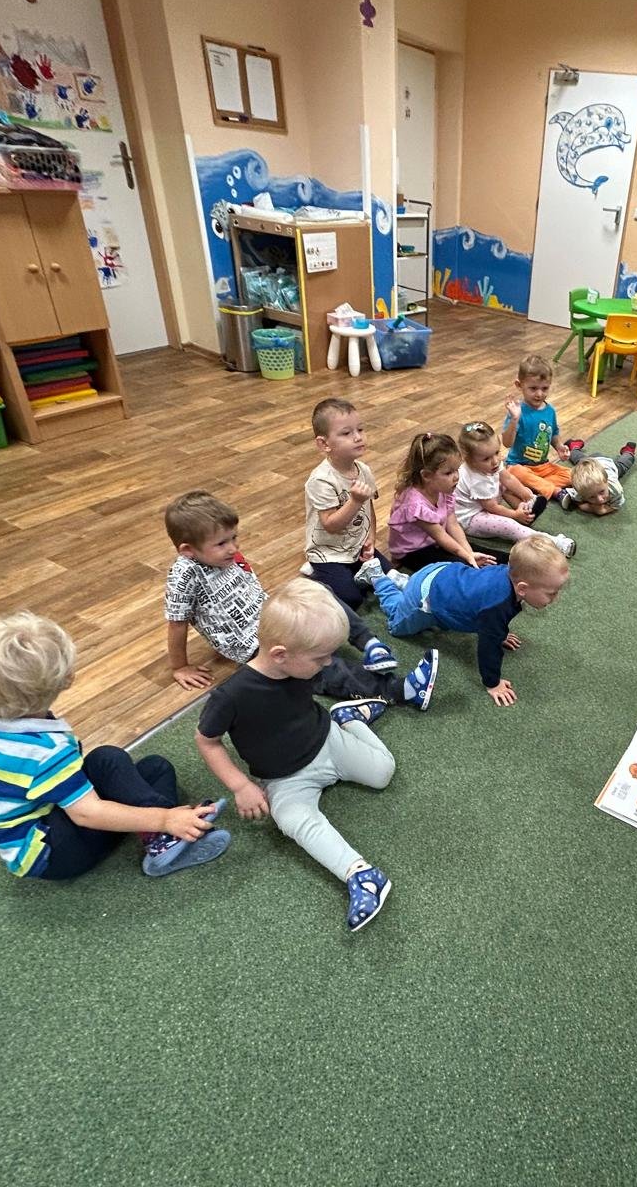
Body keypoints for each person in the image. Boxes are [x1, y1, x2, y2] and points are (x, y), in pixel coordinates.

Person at [0, 610, 231, 881]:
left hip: (44, 812)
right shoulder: (45, 752)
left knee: (147, 767)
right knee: (135, 784)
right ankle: (163, 837)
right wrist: (164, 819)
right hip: (50, 853)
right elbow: (87, 815)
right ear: (66, 680)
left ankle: (161, 831)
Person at [194, 578, 396, 931]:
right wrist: (240, 785)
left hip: (328, 740)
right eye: (321, 657)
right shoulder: (231, 696)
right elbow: (206, 741)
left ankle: (350, 718)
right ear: (280, 655)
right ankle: (361, 875)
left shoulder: (303, 665)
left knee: (383, 773)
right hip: (284, 777)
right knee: (289, 819)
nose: (329, 662)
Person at [162, 489, 438, 710]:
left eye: (234, 538)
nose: (233, 547)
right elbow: (176, 623)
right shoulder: (184, 575)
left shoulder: (225, 556)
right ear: (187, 550)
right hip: (258, 646)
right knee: (318, 666)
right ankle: (399, 690)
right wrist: (180, 666)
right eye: (222, 543)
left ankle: (368, 643)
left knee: (319, 591)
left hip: (273, 616)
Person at [360, 534, 570, 706]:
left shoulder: (509, 575)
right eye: (552, 593)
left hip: (443, 571)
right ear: (522, 588)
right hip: (426, 595)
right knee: (396, 623)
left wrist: (500, 633)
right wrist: (493, 683)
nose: (556, 598)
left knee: (417, 592)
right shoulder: (497, 606)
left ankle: (402, 581)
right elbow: (488, 648)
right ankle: (377, 575)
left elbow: (487, 611)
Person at [302, 397, 393, 608]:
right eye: (346, 433)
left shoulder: (364, 470)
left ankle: (345, 575)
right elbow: (330, 525)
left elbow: (369, 509)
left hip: (357, 547)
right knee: (352, 598)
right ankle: (317, 574)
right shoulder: (321, 480)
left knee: (390, 576)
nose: (358, 437)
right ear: (324, 444)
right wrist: (354, 501)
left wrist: (371, 539)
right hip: (328, 553)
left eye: (360, 429)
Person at [454, 420, 576, 557]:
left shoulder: (491, 464)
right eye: (486, 458)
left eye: (497, 452)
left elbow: (508, 479)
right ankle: (552, 542)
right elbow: (492, 508)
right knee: (509, 525)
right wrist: (513, 515)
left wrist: (527, 496)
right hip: (472, 518)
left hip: (486, 501)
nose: (495, 461)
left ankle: (526, 511)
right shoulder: (476, 480)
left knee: (509, 485)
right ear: (468, 459)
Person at [387, 431, 502, 572]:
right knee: (460, 566)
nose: (456, 477)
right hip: (414, 550)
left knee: (490, 557)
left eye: (457, 470)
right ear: (426, 475)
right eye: (448, 473)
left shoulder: (443, 489)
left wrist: (469, 552)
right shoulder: (415, 505)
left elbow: (452, 524)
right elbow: (441, 536)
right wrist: (467, 557)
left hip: (435, 539)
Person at [500, 353, 577, 500]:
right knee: (515, 473)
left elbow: (553, 434)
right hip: (519, 466)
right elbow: (507, 443)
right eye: (533, 388)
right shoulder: (517, 412)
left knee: (573, 475)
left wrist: (559, 447)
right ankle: (555, 492)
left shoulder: (550, 411)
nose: (539, 394)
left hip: (543, 467)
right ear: (519, 385)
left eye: (545, 388)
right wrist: (514, 419)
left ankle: (533, 488)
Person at [556, 440, 637, 516]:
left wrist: (604, 510)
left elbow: (618, 503)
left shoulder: (615, 489)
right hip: (589, 461)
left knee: (622, 465)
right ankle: (574, 446)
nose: (600, 499)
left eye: (602, 492)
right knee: (579, 460)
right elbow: (575, 498)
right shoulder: (580, 491)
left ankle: (628, 452)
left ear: (606, 481)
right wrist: (582, 506)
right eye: (591, 497)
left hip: (608, 464)